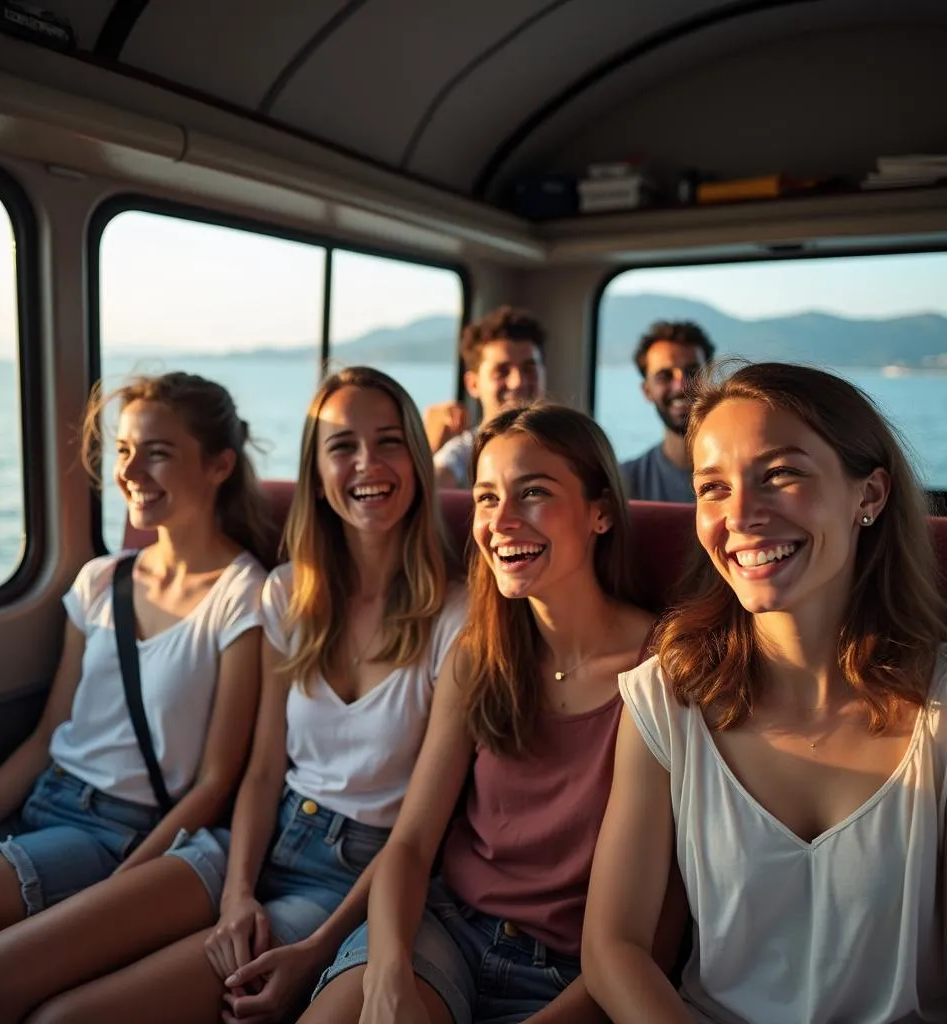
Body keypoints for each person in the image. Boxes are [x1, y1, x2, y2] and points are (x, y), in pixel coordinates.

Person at [0, 367, 466, 1024]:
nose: (367, 463)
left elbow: (416, 836)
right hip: (248, 841)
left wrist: (313, 951)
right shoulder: (288, 595)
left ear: (417, 460)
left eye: (388, 442)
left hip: (348, 876)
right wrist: (238, 892)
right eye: (341, 446)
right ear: (318, 471)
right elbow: (261, 773)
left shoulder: (457, 619)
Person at [582, 362, 947, 1023]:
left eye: (780, 474)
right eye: (713, 487)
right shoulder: (667, 699)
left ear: (869, 494)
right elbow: (615, 947)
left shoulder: (939, 713)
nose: (742, 516)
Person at [304, 402, 686, 1024]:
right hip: (446, 929)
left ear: (601, 512)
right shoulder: (478, 656)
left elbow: (658, 932)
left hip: (575, 975)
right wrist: (388, 971)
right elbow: (410, 844)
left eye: (532, 492)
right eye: (485, 498)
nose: (502, 521)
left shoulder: (665, 670)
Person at [0, 371, 271, 1007]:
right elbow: (45, 740)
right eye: (123, 450)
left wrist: (122, 887)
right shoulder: (98, 580)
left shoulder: (242, 597)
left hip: (115, 832)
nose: (132, 469)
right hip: (43, 798)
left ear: (219, 465)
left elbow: (217, 781)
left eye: (158, 453)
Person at [425, 306, 547, 489]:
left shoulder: (567, 449)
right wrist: (427, 448)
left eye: (529, 369)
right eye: (502, 372)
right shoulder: (462, 453)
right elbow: (433, 487)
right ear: (473, 384)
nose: (518, 382)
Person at [621, 320, 715, 503]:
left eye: (692, 372)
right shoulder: (625, 482)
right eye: (665, 376)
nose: (681, 386)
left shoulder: (741, 476)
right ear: (647, 391)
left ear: (710, 380)